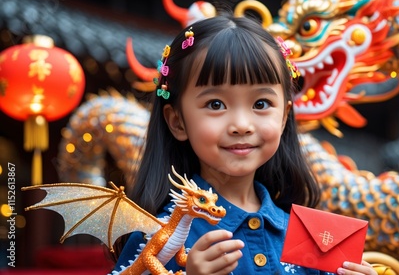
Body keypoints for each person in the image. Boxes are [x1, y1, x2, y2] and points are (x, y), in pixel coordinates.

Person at [113, 14, 377, 275]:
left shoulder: (311, 236)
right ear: (177, 122)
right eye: (215, 104)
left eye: (261, 104)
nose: (241, 124)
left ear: (284, 116)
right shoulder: (159, 234)